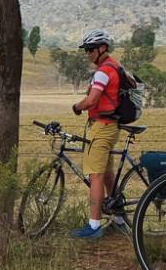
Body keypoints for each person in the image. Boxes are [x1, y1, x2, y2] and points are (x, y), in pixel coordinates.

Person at [70, 29, 129, 238]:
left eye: (90, 49)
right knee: (107, 175)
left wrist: (77, 106)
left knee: (95, 175)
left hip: (102, 126)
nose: (88, 54)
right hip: (111, 126)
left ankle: (93, 226)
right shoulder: (115, 65)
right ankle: (120, 219)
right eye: (86, 50)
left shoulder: (103, 71)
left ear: (101, 48)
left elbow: (92, 100)